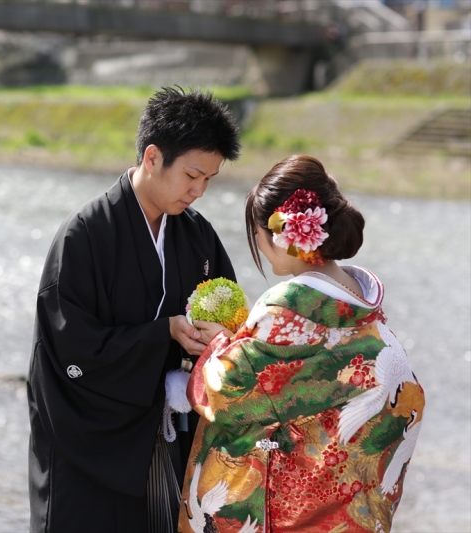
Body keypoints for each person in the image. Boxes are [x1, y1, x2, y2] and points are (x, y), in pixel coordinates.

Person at [26, 87, 241, 533]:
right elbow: (72, 351)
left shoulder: (198, 236)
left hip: (168, 440)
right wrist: (162, 334)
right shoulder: (84, 236)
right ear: (153, 157)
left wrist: (210, 342)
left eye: (209, 179)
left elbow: (231, 321)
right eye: (192, 175)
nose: (198, 191)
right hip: (89, 448)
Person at [178, 155, 426, 533]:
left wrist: (218, 345)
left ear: (279, 235)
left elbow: (228, 394)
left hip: (298, 516)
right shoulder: (362, 303)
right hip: (349, 508)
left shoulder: (289, 310)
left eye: (257, 234)